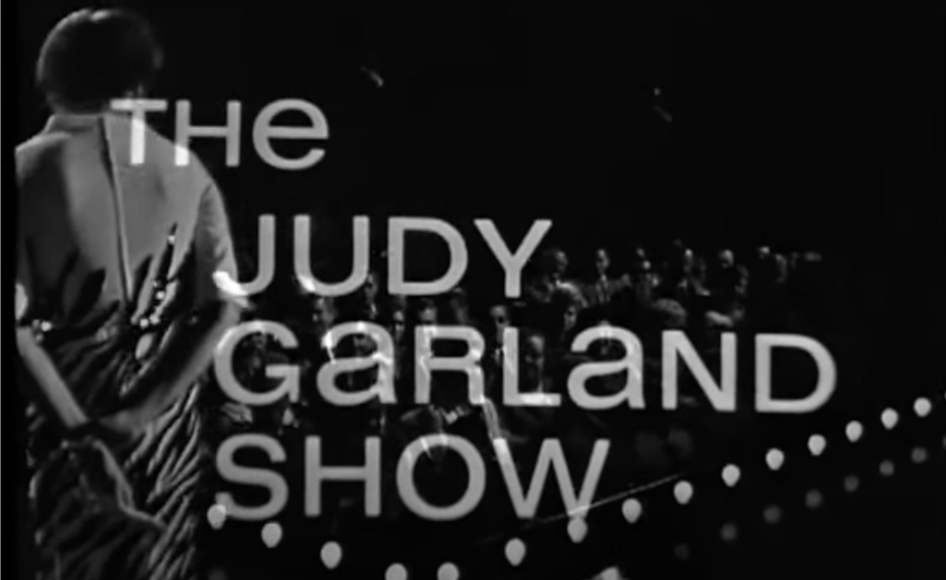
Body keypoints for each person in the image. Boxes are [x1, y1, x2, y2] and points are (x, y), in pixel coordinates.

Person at [16, 9, 241, 580]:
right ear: (139, 83)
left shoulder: (23, 171)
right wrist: (141, 413)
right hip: (162, 434)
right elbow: (224, 304)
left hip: (56, 420)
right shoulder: (186, 169)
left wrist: (79, 436)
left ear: (51, 76)